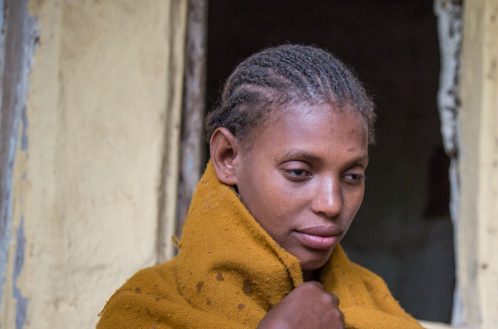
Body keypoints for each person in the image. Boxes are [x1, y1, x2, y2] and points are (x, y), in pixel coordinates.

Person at [97, 44, 424, 329]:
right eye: (299, 171)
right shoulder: (147, 310)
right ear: (228, 157)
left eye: (352, 176)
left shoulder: (375, 305)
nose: (332, 204)